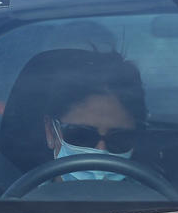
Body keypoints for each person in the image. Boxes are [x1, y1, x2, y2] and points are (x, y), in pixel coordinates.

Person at [41, 51, 146, 181]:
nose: (101, 151)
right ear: (50, 131)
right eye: (82, 136)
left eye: (119, 139)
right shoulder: (18, 200)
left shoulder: (160, 200)